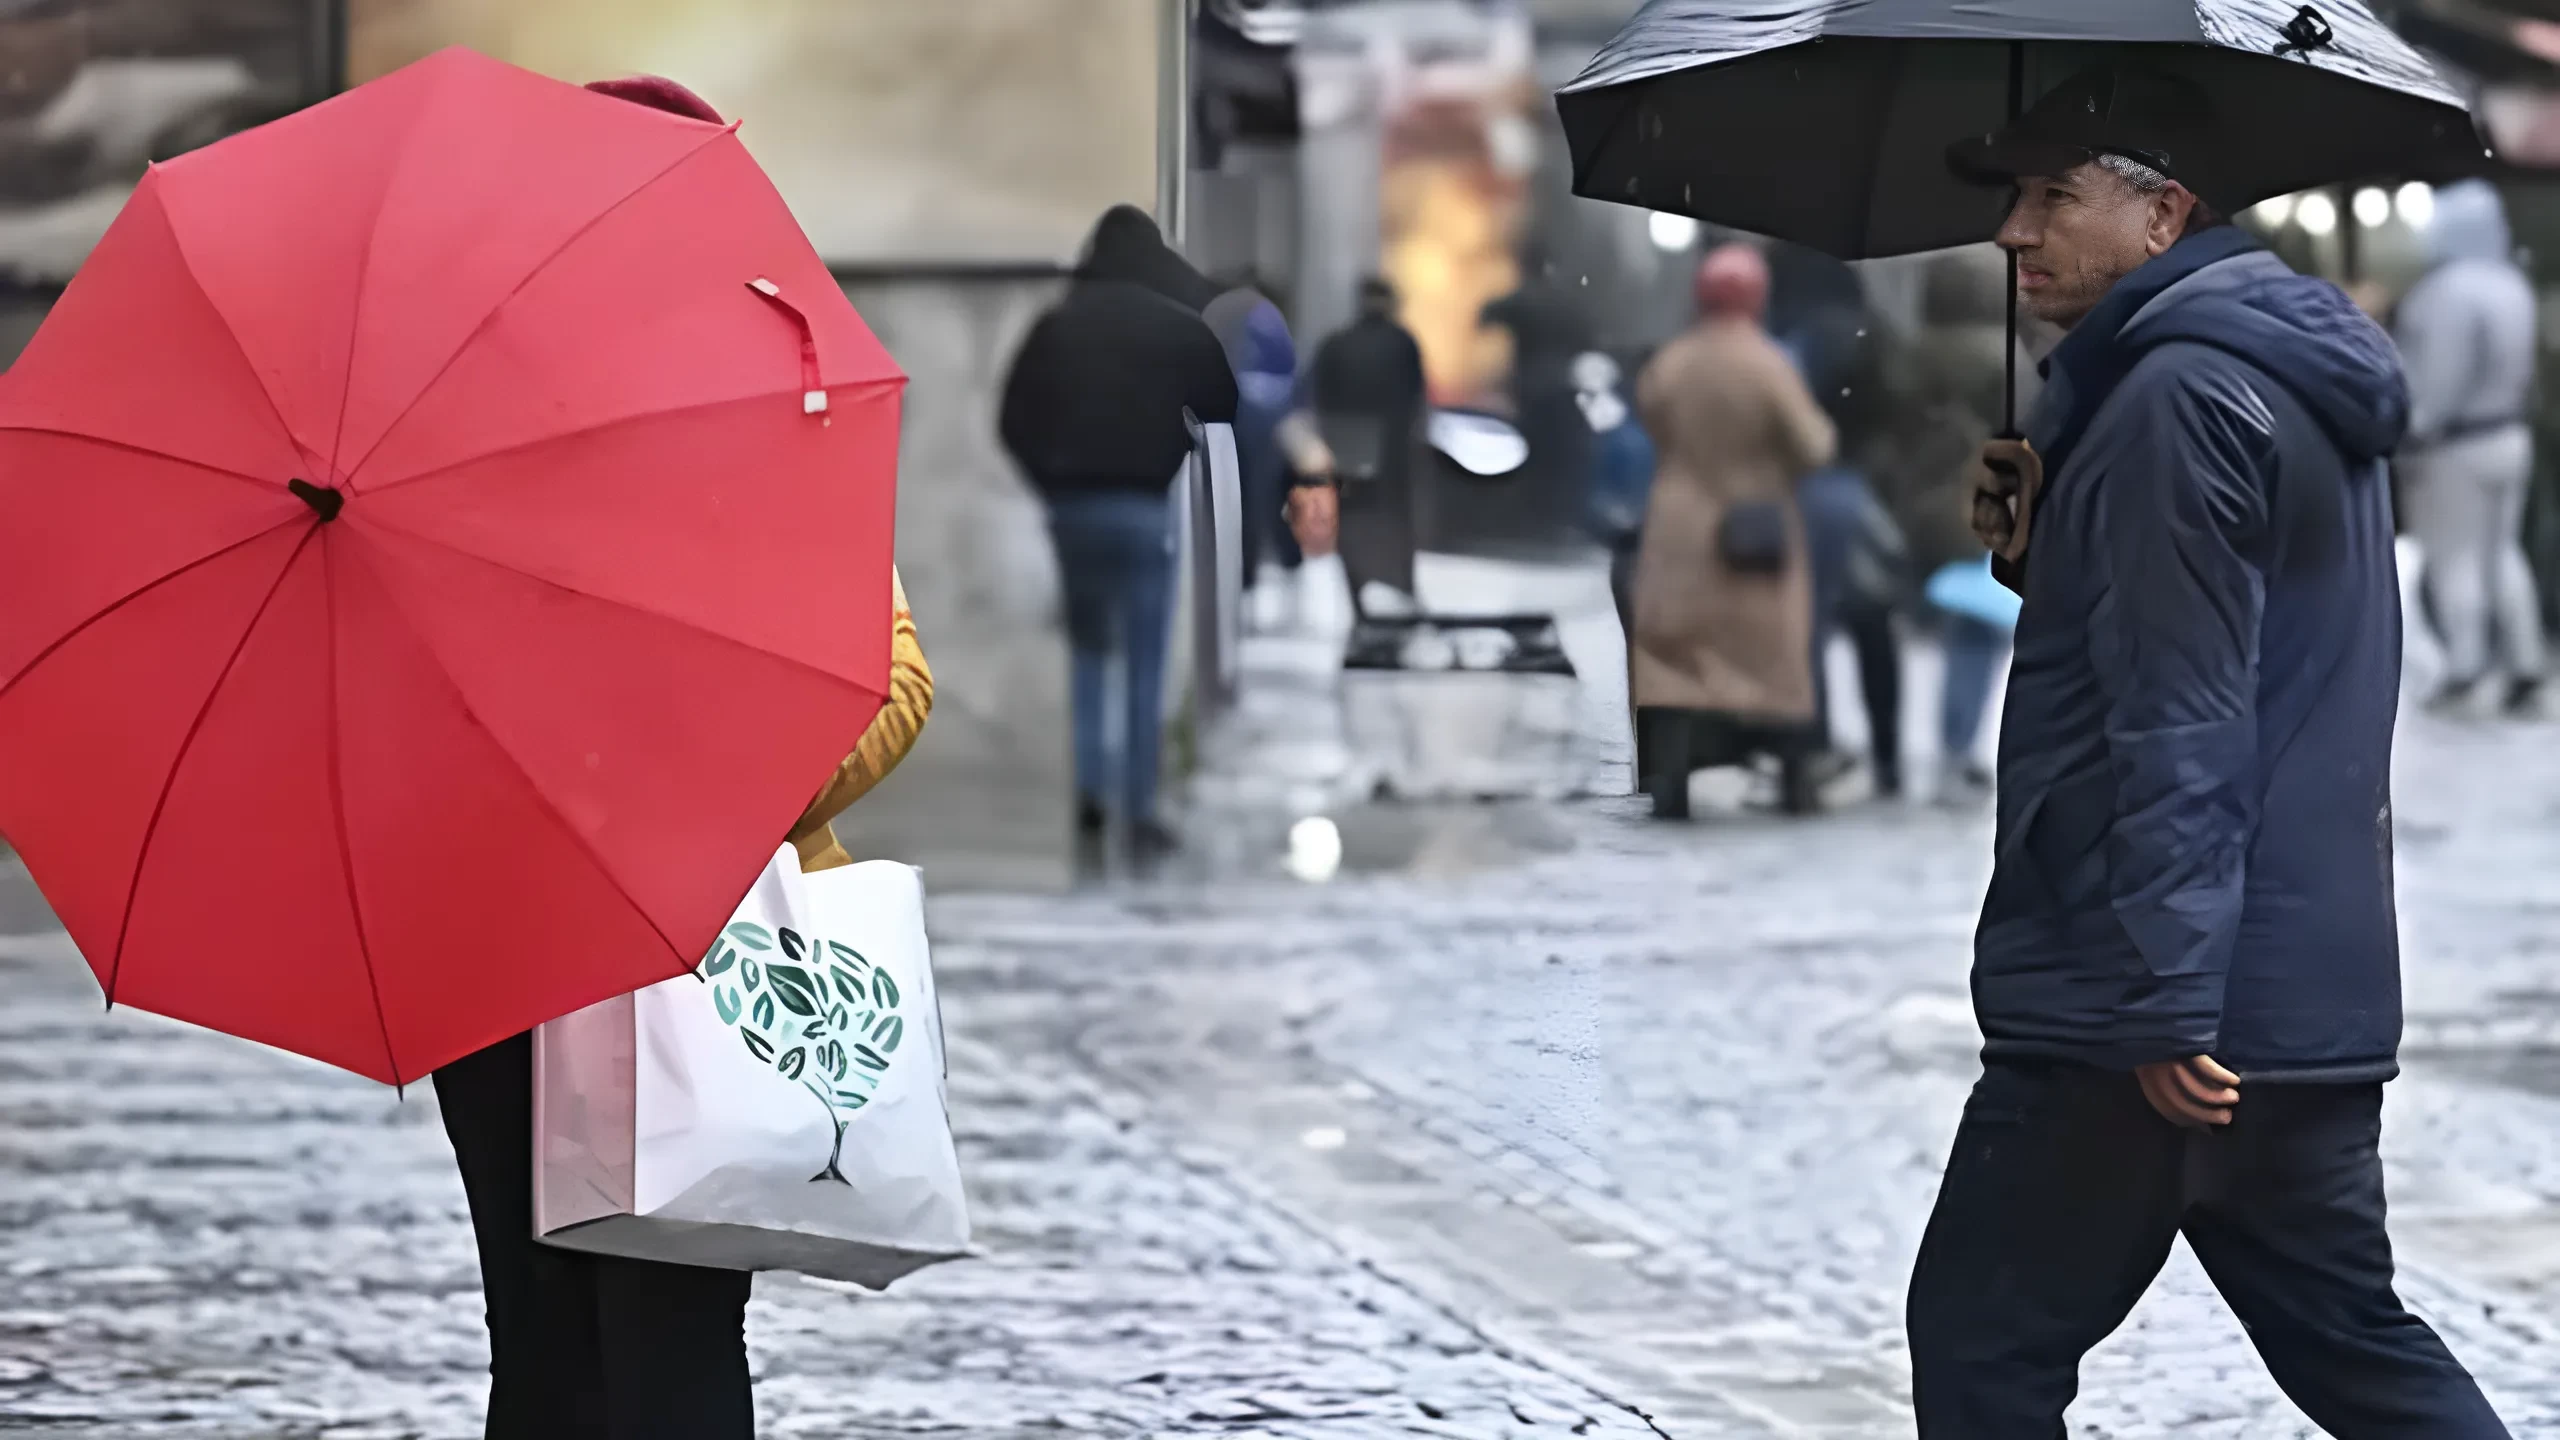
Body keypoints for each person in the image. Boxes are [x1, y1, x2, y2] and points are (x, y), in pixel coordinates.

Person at [1908, 64, 2511, 1437]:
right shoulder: (2261, 373)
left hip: (2159, 1010)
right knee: (2361, 1349)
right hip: (2292, 993)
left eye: (2054, 194)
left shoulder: (2176, 401)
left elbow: (2181, 714)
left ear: (2164, 214)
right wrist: (2045, 539)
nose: (2015, 230)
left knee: (1982, 1344)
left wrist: (2172, 999)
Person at [430, 84, 940, 1440]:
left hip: (687, 950)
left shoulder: (762, 402)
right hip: (496, 959)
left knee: (658, 1336)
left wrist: (700, 794)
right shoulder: (425, 414)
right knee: (546, 1340)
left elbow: (890, 679)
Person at [998, 207, 1238, 860]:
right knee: (1145, 658)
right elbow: (1223, 403)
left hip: (1073, 511)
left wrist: (1052, 482)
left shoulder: (1056, 327)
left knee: (1089, 654)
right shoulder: (1176, 328)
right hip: (1142, 508)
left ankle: (1092, 796)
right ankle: (1140, 806)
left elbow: (1012, 418)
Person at [1628, 244, 1836, 818]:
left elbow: (1651, 417)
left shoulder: (1672, 361)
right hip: (1754, 528)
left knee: (1673, 656)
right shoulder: (1768, 365)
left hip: (1679, 526)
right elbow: (1813, 445)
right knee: (1769, 655)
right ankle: (1792, 774)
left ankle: (1672, 777)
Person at [1873, 246, 2040, 802]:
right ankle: (1955, 749)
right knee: (1974, 631)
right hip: (1978, 502)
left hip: (1915, 504)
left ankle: (1900, 756)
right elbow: (2030, 431)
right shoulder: (2003, 355)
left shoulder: (1909, 354)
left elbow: (1890, 432)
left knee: (1920, 627)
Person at [2394, 179, 2545, 716]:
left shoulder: (2446, 291)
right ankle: (2525, 663)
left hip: (2454, 444)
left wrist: (2408, 435)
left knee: (2454, 558)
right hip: (2509, 433)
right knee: (2503, 552)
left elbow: (2435, 384)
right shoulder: (2511, 283)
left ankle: (2466, 668)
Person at [1789, 305, 1907, 799]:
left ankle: (1811, 746)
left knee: (1808, 628)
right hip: (1867, 493)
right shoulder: (1880, 347)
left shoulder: (1799, 345)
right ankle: (1886, 756)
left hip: (1812, 490)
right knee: (1873, 626)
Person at [1285, 277, 1427, 612]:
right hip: (1393, 445)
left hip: (1348, 442)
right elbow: (1416, 396)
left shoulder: (1337, 343)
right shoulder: (1403, 342)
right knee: (1394, 517)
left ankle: (1357, 587)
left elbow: (1317, 394)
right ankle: (1399, 583)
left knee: (1353, 517)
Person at [1206, 272, 1305, 630]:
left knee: (1244, 504)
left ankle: (1247, 587)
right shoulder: (1270, 324)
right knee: (1267, 504)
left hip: (1238, 426)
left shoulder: (1225, 320)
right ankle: (1274, 579)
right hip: (1269, 429)